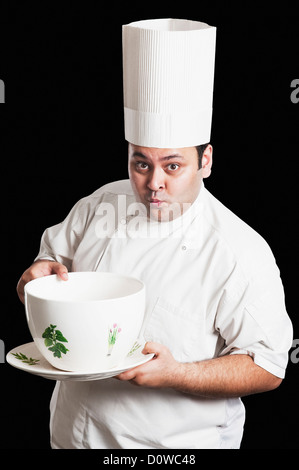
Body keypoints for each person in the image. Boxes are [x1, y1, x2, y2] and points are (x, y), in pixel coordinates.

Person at [16, 19, 293, 449]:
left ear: (206, 161)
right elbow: (47, 266)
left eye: (173, 165)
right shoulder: (101, 204)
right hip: (70, 436)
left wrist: (176, 373)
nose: (153, 183)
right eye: (141, 163)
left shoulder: (240, 251)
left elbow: (269, 367)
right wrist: (35, 277)